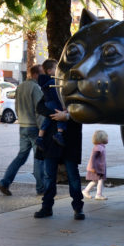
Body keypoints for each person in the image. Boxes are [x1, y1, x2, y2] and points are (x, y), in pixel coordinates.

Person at [33, 58, 85, 221]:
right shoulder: (52, 86)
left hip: (70, 139)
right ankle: (46, 207)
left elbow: (82, 111)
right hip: (51, 140)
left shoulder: (75, 87)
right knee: (49, 175)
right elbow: (40, 107)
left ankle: (78, 208)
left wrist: (67, 116)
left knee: (73, 175)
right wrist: (56, 114)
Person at [0, 65, 45, 196]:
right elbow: (39, 109)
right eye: (41, 73)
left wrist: (21, 120)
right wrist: (42, 128)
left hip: (23, 126)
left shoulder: (20, 87)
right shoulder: (35, 88)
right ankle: (41, 188)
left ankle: (5, 182)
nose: (43, 76)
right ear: (35, 74)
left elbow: (17, 106)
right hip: (34, 127)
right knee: (39, 158)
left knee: (21, 157)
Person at [35, 60, 66, 148]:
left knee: (47, 120)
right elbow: (56, 95)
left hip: (47, 103)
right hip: (53, 102)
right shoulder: (53, 82)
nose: (58, 70)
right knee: (60, 115)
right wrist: (62, 105)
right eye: (56, 68)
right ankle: (59, 133)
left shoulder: (45, 81)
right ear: (49, 71)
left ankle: (40, 137)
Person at [82, 130, 108, 200]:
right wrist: (92, 167)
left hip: (99, 168)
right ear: (101, 138)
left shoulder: (101, 147)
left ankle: (86, 191)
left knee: (95, 181)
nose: (107, 139)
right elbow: (92, 158)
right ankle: (98, 195)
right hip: (96, 168)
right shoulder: (98, 147)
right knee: (100, 180)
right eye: (106, 137)